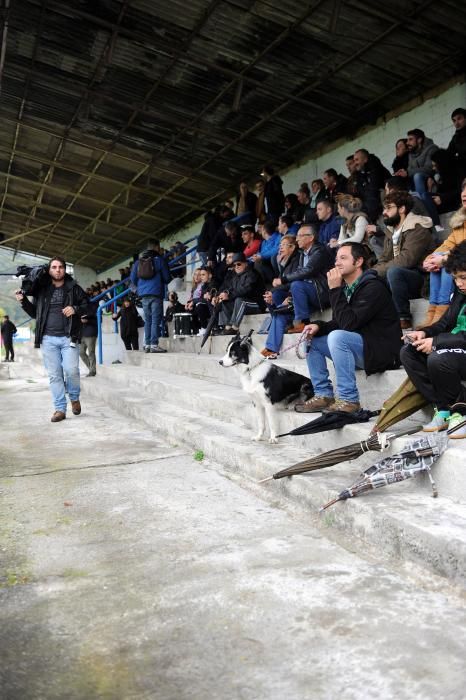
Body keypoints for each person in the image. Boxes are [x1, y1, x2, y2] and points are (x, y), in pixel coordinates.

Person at [295, 242, 402, 414]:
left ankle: (349, 400)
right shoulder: (347, 288)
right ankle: (324, 395)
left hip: (381, 353)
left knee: (338, 337)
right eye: (336, 259)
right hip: (361, 349)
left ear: (358, 262)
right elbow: (339, 322)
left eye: (343, 258)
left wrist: (334, 289)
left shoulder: (373, 287)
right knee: (312, 339)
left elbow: (348, 325)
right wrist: (317, 325)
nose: (337, 263)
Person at [400, 241, 466, 438]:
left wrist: (438, 343)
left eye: (463, 277)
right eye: (455, 278)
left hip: (457, 350)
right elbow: (445, 322)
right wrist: (425, 333)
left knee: (439, 357)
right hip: (456, 348)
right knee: (409, 352)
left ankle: (461, 411)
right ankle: (443, 408)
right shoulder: (461, 292)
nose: (459, 283)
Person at [15, 256, 89, 422]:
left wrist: (75, 308)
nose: (57, 270)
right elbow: (36, 313)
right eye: (54, 267)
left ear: (64, 269)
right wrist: (23, 301)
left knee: (71, 371)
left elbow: (90, 306)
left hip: (69, 337)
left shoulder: (74, 288)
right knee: (55, 375)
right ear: (49, 270)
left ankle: (74, 397)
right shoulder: (42, 290)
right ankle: (59, 409)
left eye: (60, 267)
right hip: (48, 339)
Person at [373, 191, 434, 329]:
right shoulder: (392, 230)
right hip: (398, 281)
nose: (384, 212)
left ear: (401, 209)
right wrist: (371, 273)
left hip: (422, 279)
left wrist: (374, 273)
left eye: (389, 208)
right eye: (384, 208)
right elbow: (384, 259)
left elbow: (406, 260)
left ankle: (403, 319)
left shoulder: (418, 228)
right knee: (374, 278)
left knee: (393, 272)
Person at [421, 180, 466, 325]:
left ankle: (442, 313)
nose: (464, 194)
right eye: (463, 190)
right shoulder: (461, 222)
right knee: (440, 257)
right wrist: (430, 259)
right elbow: (448, 244)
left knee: (447, 261)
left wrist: (446, 258)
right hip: (460, 265)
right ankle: (433, 312)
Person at [278, 223, 330, 334]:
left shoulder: (319, 251)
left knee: (296, 285)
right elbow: (299, 274)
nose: (297, 239)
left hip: (323, 293)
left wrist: (283, 279)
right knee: (279, 303)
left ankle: (303, 323)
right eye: (297, 236)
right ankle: (278, 336)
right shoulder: (303, 254)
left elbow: (308, 270)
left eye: (301, 236)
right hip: (309, 292)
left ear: (311, 238)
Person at [261, 235, 299, 358]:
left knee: (275, 295)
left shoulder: (297, 259)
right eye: (280, 245)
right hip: (288, 296)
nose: (280, 248)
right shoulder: (285, 262)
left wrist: (276, 292)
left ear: (292, 247)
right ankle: (272, 346)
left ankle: (271, 348)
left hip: (298, 297)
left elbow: (294, 283)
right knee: (270, 297)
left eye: (283, 245)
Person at [130, 239, 171, 353]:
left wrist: (141, 288)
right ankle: (154, 344)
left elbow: (133, 280)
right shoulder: (159, 260)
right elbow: (167, 278)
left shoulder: (138, 262)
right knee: (155, 320)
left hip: (143, 295)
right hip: (156, 293)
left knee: (148, 320)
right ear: (157, 247)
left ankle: (147, 344)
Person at [216, 252, 265, 334]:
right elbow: (230, 289)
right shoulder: (235, 277)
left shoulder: (252, 274)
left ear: (245, 264)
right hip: (243, 304)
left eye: (238, 264)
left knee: (240, 300)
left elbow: (246, 290)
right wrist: (224, 294)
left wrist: (229, 295)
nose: (236, 267)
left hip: (257, 304)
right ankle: (227, 327)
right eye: (234, 265)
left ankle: (235, 328)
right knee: (225, 301)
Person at [353, 148, 391, 222]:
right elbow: (361, 193)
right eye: (354, 160)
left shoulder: (375, 168)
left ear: (365, 159)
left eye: (357, 160)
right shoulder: (359, 174)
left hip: (385, 196)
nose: (355, 163)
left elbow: (374, 189)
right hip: (373, 203)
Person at [447, 108, 466, 182]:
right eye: (454, 121)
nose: (456, 123)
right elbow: (448, 154)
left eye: (459, 119)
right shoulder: (456, 137)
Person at [79, 302, 98, 376]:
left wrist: (88, 321)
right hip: (82, 335)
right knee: (81, 352)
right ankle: (91, 368)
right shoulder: (81, 310)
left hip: (91, 335)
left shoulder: (94, 310)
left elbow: (98, 321)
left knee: (91, 352)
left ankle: (92, 371)